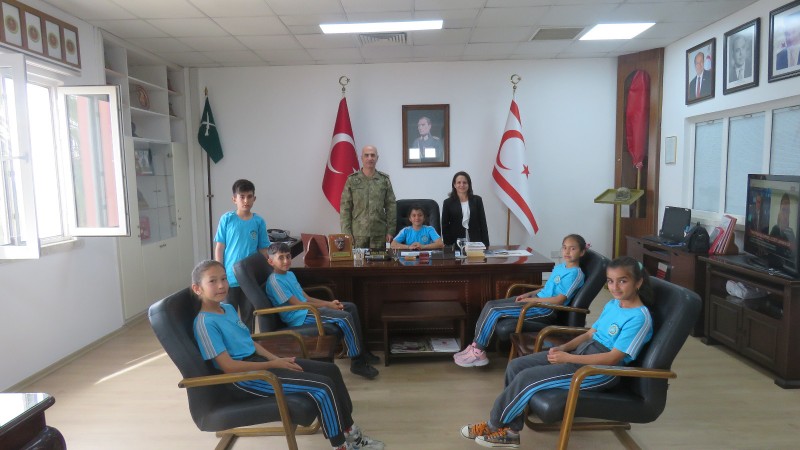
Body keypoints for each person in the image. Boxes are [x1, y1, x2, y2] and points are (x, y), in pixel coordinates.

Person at [459, 256, 654, 448]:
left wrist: (568, 357)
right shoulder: (613, 304)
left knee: (527, 378)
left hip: (598, 371)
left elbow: (613, 358)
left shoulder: (639, 318)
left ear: (638, 282)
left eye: (623, 281)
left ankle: (494, 425)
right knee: (516, 366)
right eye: (610, 281)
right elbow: (590, 334)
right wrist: (564, 348)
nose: (615, 287)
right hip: (581, 353)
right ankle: (511, 431)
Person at [191, 260, 384, 450]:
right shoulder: (205, 323)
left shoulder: (228, 309)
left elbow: (249, 342)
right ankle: (340, 446)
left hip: (259, 363)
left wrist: (276, 359)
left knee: (331, 371)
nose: (221, 285)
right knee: (322, 388)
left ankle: (351, 433)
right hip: (244, 378)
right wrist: (271, 365)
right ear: (197, 289)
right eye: (213, 281)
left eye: (224, 279)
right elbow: (228, 367)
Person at [454, 234, 587, 368]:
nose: (567, 251)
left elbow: (559, 300)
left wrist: (531, 300)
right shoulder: (561, 267)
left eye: (572, 249)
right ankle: (474, 345)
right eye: (564, 247)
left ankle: (478, 352)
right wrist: (528, 294)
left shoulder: (575, 274)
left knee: (495, 311)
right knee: (490, 304)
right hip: (536, 300)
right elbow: (547, 288)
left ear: (582, 252)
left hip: (544, 309)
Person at [264, 242, 380, 379]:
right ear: (270, 262)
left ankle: (362, 350)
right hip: (299, 316)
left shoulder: (289, 274)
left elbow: (306, 298)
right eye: (281, 258)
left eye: (288, 256)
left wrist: (329, 304)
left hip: (306, 309)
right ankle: (357, 362)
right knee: (344, 317)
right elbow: (300, 304)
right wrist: (328, 305)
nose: (286, 261)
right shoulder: (275, 282)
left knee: (350, 307)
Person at [214, 179, 270, 332]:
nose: (246, 201)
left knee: (248, 316)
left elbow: (263, 250)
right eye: (242, 197)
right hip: (229, 277)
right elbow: (220, 247)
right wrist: (220, 273)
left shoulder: (258, 221)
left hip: (249, 279)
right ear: (234, 199)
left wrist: (270, 269)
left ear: (254, 198)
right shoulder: (227, 219)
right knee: (228, 315)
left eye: (249, 196)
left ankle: (248, 343)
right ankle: (230, 344)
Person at [340, 145, 397, 249]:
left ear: (377, 158)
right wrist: (346, 233)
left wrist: (391, 230)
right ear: (361, 158)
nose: (370, 158)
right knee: (358, 260)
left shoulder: (384, 180)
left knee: (380, 260)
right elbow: (345, 208)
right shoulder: (352, 180)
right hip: (357, 234)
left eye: (372, 155)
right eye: (366, 155)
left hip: (379, 234)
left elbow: (391, 206)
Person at [441, 171, 490, 247]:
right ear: (454, 185)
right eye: (459, 182)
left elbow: (483, 222)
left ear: (469, 184)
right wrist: (448, 244)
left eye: (465, 182)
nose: (462, 185)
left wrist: (486, 243)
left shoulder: (477, 200)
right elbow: (445, 225)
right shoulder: (448, 202)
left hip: (476, 240)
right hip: (455, 241)